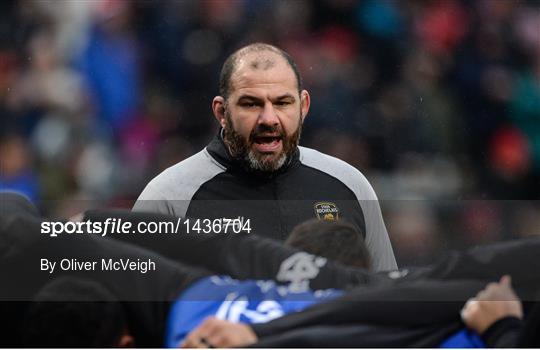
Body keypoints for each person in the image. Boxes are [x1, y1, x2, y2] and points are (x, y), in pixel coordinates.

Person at [133, 42, 397, 272]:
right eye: (251, 104)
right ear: (222, 112)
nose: (269, 119)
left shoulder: (350, 185)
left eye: (283, 103)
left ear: (303, 106)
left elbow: (385, 303)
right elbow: (135, 313)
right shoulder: (168, 198)